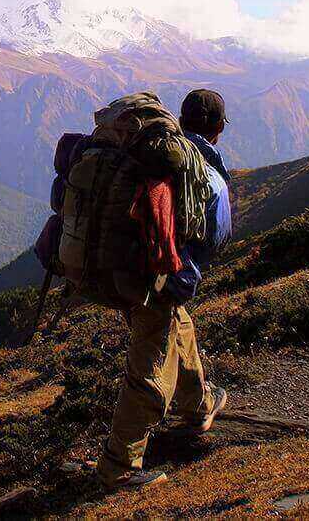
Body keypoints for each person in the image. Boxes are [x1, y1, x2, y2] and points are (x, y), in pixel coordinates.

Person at [96, 89, 233, 491]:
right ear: (218, 130)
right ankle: (119, 465)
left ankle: (198, 405)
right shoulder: (200, 173)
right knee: (151, 366)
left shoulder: (146, 153)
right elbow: (215, 238)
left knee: (178, 325)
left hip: (117, 265)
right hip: (153, 277)